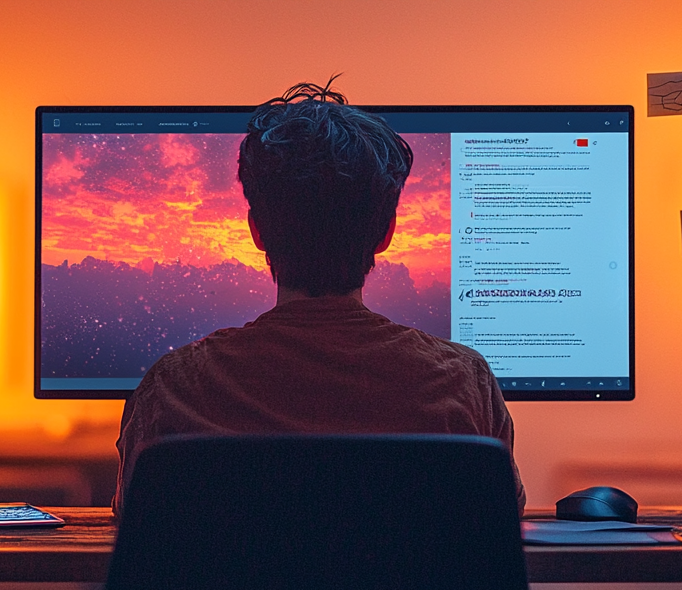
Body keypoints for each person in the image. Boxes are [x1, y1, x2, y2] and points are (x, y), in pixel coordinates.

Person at [114, 79, 519, 515]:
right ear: (387, 233)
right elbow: (498, 522)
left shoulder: (175, 388)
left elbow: (139, 526)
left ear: (257, 232)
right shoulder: (462, 382)